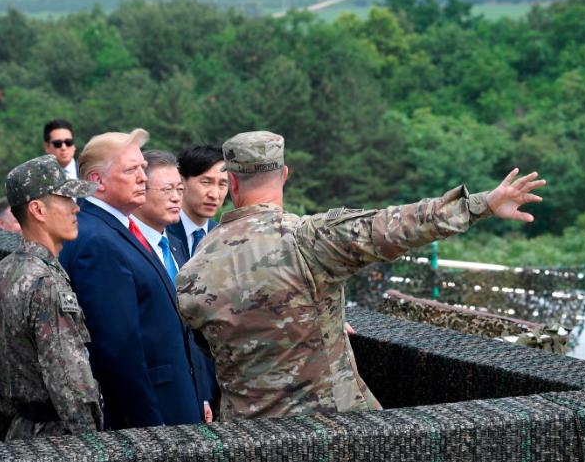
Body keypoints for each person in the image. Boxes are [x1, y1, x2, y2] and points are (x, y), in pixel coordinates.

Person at [177, 131, 546, 421]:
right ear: (284, 175)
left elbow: (211, 345)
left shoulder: (194, 269)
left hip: (246, 440)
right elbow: (393, 226)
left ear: (233, 185)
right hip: (332, 431)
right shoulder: (307, 240)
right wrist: (481, 204)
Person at [59, 129, 203, 429]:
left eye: (142, 168)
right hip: (152, 415)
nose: (143, 178)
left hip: (171, 399)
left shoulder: (115, 229)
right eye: (132, 170)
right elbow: (119, 349)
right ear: (97, 182)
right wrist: (149, 427)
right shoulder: (97, 240)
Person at [0, 155, 103, 438]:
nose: (76, 208)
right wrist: (91, 442)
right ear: (38, 209)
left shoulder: (2, 273)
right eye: (65, 199)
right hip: (58, 439)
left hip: (20, 432)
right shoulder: (45, 282)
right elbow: (69, 382)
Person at [131, 150, 217, 424]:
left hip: (190, 398)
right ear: (139, 190)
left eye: (179, 189)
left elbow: (193, 332)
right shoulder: (125, 249)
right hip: (151, 406)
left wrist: (202, 394)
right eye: (167, 189)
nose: (176, 197)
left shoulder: (176, 247)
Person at [167, 144, 228, 260]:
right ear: (181, 180)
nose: (214, 195)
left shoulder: (224, 236)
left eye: (223, 184)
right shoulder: (161, 230)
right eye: (206, 182)